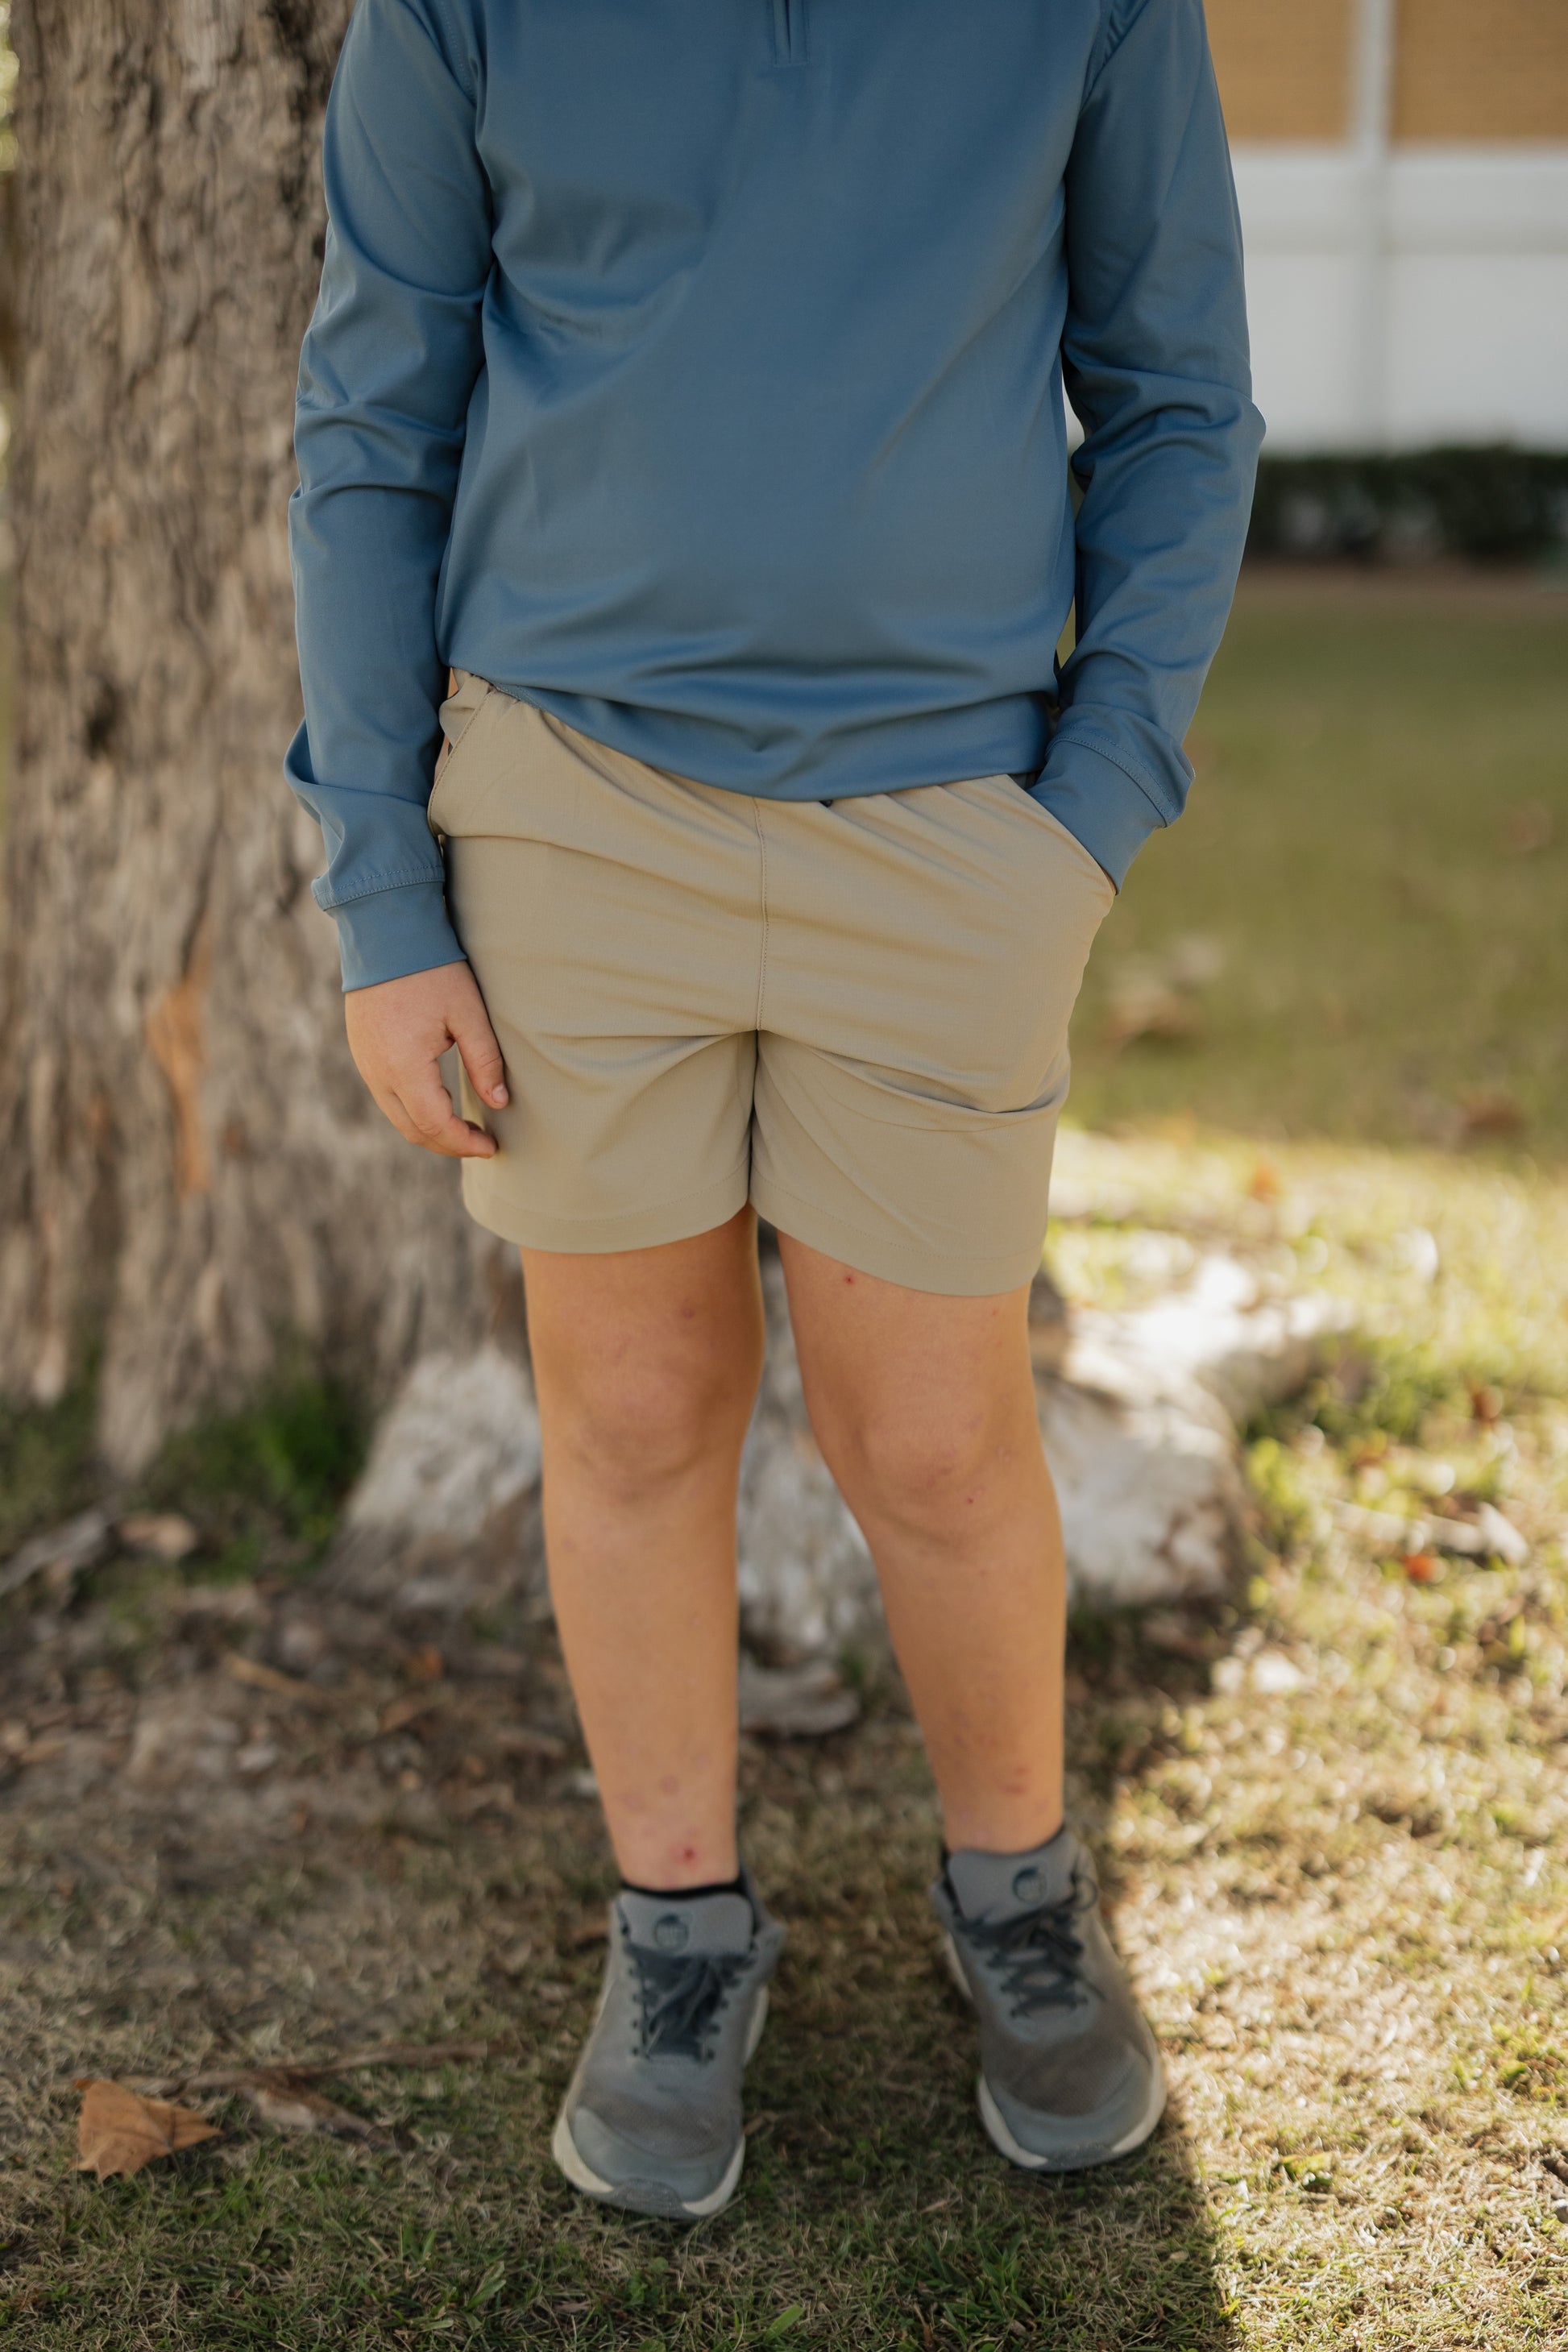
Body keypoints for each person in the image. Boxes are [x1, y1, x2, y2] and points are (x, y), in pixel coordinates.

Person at [286, 0, 1261, 2221]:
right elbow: (371, 418)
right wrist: (384, 892)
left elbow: (1179, 398)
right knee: (631, 1410)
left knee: (933, 1437)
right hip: (565, 803)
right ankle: (676, 1938)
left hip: (948, 825)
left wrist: (1092, 807)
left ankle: (1020, 1897)